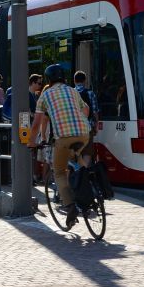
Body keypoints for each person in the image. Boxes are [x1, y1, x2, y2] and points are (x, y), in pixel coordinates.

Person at [27, 64, 90, 228]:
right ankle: (89, 190)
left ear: (48, 79)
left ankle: (70, 207)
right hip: (84, 133)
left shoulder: (45, 95)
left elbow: (36, 123)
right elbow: (87, 109)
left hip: (63, 137)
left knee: (60, 172)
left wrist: (32, 142)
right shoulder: (73, 90)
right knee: (78, 162)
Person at [73, 70, 99, 166]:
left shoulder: (70, 94)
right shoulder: (90, 93)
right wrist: (96, 126)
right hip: (87, 127)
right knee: (87, 152)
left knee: (76, 151)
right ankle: (84, 173)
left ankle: (76, 173)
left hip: (73, 129)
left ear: (74, 81)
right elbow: (95, 111)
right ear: (85, 81)